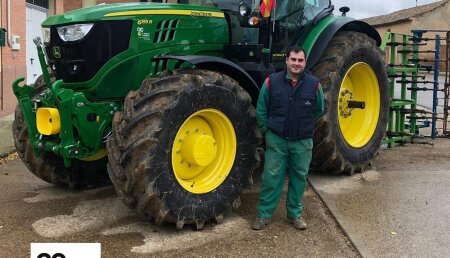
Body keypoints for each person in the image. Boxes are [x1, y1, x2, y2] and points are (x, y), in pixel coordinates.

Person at [253, 46, 324, 230]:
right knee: (271, 178)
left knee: (299, 178)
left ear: (305, 63)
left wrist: (304, 127)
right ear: (286, 60)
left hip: (302, 142)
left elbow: (319, 110)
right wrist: (267, 132)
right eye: (293, 59)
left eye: (300, 60)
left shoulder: (314, 84)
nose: (296, 64)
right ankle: (264, 215)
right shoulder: (272, 82)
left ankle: (295, 214)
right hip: (277, 140)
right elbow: (261, 110)